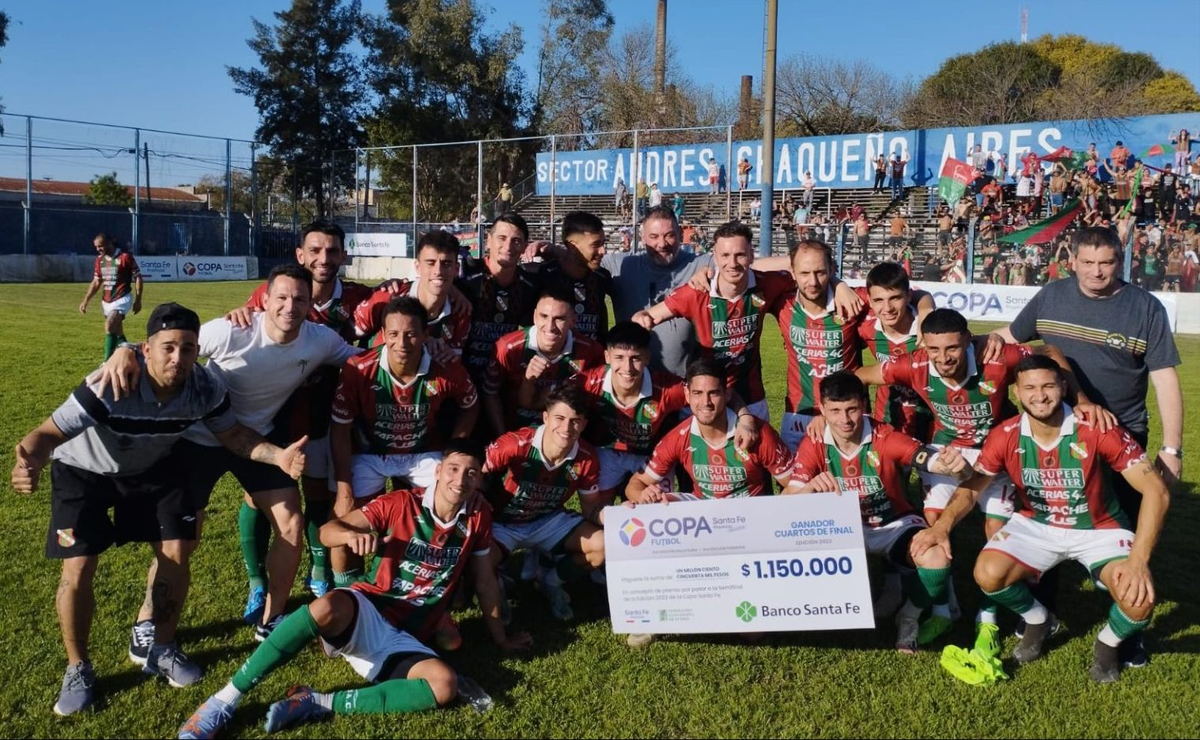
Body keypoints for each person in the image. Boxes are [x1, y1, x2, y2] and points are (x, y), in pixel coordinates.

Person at [12, 303, 306, 715]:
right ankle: (78, 667)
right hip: (83, 472)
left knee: (177, 552)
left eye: (188, 348)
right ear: (145, 350)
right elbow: (45, 433)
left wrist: (278, 457)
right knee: (78, 566)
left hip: (151, 469)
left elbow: (235, 436)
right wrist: (29, 463)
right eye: (167, 347)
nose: (178, 357)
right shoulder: (110, 384)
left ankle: (163, 647)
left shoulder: (203, 387)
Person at [177, 440, 531, 738]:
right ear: (438, 471)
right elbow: (329, 530)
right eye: (454, 469)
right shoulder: (402, 503)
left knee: (444, 685)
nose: (461, 479)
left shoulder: (479, 516)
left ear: (479, 479)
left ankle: (315, 702)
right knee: (326, 606)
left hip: (407, 636)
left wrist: (500, 638)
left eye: (471, 472)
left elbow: (484, 580)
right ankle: (223, 700)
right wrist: (351, 535)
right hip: (369, 610)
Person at [98, 264, 361, 643]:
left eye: (300, 299)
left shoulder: (319, 340)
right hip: (199, 439)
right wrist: (124, 351)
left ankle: (271, 620)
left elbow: (363, 360)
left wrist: (426, 347)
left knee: (291, 523)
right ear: (264, 300)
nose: (290, 307)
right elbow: (170, 349)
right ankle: (148, 619)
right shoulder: (232, 330)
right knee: (182, 538)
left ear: (309, 305)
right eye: (282, 297)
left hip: (255, 442)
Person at [986, 226, 1183, 666]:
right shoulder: (1052, 295)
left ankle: (1127, 630)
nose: (1097, 272)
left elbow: (1164, 377)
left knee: (1127, 534)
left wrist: (1172, 449)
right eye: (1088, 263)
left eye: (1107, 263)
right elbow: (1012, 335)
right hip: (1056, 431)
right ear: (1071, 259)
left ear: (1121, 261)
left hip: (1122, 436)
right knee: (1049, 516)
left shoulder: (1143, 307)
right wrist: (969, 342)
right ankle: (1043, 614)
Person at [911, 355, 1169, 682]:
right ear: (1016, 392)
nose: (1040, 395)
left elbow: (1156, 492)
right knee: (987, 573)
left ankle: (1107, 645)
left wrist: (1138, 561)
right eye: (1030, 387)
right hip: (1037, 524)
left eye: (1048, 385)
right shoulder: (1005, 434)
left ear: (1063, 387)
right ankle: (1038, 619)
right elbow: (974, 486)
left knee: (1139, 600)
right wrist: (942, 527)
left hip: (1099, 530)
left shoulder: (1096, 428)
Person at [233, 219, 379, 609]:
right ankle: (256, 581)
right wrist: (239, 314)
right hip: (273, 414)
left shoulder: (362, 299)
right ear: (300, 255)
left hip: (328, 418)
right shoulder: (269, 296)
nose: (323, 258)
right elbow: (242, 326)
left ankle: (318, 572)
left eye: (332, 251)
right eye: (314, 250)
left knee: (317, 494)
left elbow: (407, 304)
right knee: (256, 497)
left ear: (344, 256)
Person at [785, 372, 970, 652]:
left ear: (864, 405)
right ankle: (820, 609)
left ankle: (908, 616)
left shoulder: (885, 436)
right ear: (822, 409)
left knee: (936, 558)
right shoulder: (814, 442)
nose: (844, 420)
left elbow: (932, 461)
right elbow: (786, 502)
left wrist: (958, 466)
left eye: (852, 409)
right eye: (834, 411)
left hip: (892, 525)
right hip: (844, 529)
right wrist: (809, 487)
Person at [329, 296, 480, 584]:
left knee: (452, 503)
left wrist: (454, 452)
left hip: (422, 454)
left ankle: (438, 580)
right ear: (383, 335)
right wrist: (343, 486)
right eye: (394, 334)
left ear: (425, 335)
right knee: (345, 516)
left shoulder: (446, 367)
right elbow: (339, 429)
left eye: (411, 334)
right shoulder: (357, 368)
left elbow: (470, 405)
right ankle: (345, 590)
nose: (402, 343)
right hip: (372, 455)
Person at [633, 221, 793, 421]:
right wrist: (640, 319)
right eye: (725, 255)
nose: (732, 263)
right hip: (704, 398)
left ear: (751, 255)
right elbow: (647, 316)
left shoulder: (767, 284)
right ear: (715, 258)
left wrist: (837, 285)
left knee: (755, 451)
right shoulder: (696, 292)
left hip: (752, 398)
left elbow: (806, 265)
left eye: (740, 255)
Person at [483, 386, 605, 621]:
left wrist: (618, 517)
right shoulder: (513, 444)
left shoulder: (587, 457)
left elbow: (590, 509)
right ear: (545, 417)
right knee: (477, 559)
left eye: (575, 421)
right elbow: (474, 478)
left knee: (602, 545)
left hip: (547, 520)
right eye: (559, 418)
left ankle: (550, 581)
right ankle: (497, 587)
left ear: (584, 424)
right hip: (503, 522)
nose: (567, 428)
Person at [626, 358, 792, 502]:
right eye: (697, 393)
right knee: (663, 501)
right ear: (687, 394)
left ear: (727, 394)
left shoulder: (758, 434)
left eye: (713, 393)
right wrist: (643, 495)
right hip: (704, 523)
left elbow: (796, 485)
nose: (706, 402)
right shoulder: (679, 436)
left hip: (750, 519)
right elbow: (634, 485)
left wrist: (772, 516)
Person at [574, 322, 689, 502]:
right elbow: (554, 403)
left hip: (652, 457)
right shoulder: (587, 383)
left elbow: (708, 394)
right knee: (601, 511)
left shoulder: (668, 388)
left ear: (647, 358)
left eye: (635, 358)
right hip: (607, 452)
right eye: (619, 357)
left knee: (658, 510)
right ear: (607, 356)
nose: (627, 368)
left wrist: (743, 415)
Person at [483, 284, 605, 432]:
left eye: (559, 319)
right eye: (544, 316)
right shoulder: (508, 348)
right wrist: (501, 435)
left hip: (566, 434)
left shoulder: (591, 351)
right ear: (534, 317)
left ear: (573, 320)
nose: (550, 326)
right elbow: (490, 393)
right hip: (515, 432)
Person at [456, 214, 539, 409]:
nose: (508, 246)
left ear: (524, 246)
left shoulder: (530, 286)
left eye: (516, 240)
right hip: (461, 378)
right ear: (488, 241)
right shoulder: (463, 275)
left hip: (503, 382)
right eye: (502, 238)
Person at [353, 231, 471, 354]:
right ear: (417, 267)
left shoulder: (460, 311)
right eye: (430, 263)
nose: (438, 271)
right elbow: (343, 340)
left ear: (456, 269)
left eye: (446, 264)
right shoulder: (386, 297)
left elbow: (452, 363)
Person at [856, 262, 933, 440]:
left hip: (933, 422)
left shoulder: (930, 329)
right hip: (887, 420)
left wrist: (926, 306)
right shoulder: (865, 328)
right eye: (879, 300)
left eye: (895, 298)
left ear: (908, 296)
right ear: (869, 299)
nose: (887, 308)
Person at [534, 211, 612, 340]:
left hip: (592, 358)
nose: (603, 251)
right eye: (595, 245)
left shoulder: (602, 277)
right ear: (572, 246)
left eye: (603, 243)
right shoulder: (544, 275)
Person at [79, 233, 143, 359]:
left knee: (109, 325)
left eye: (100, 246)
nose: (98, 249)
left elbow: (138, 278)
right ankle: (132, 355)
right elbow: (97, 282)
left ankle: (106, 361)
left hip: (122, 298)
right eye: (96, 247)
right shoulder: (99, 260)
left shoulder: (125, 257)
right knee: (118, 332)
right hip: (106, 301)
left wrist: (138, 300)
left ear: (109, 243)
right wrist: (85, 301)